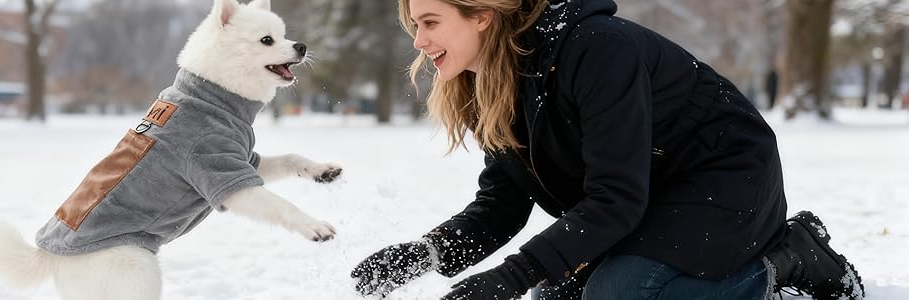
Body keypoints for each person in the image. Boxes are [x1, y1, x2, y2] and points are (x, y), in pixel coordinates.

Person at [350, 0, 865, 299]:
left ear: (482, 14)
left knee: (618, 296)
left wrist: (507, 278)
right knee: (553, 294)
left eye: (431, 21)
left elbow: (616, 197)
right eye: (414, 24)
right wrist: (425, 254)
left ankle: (788, 260)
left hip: (722, 180)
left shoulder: (595, 47)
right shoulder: (489, 83)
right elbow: (504, 203)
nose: (418, 40)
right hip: (644, 195)